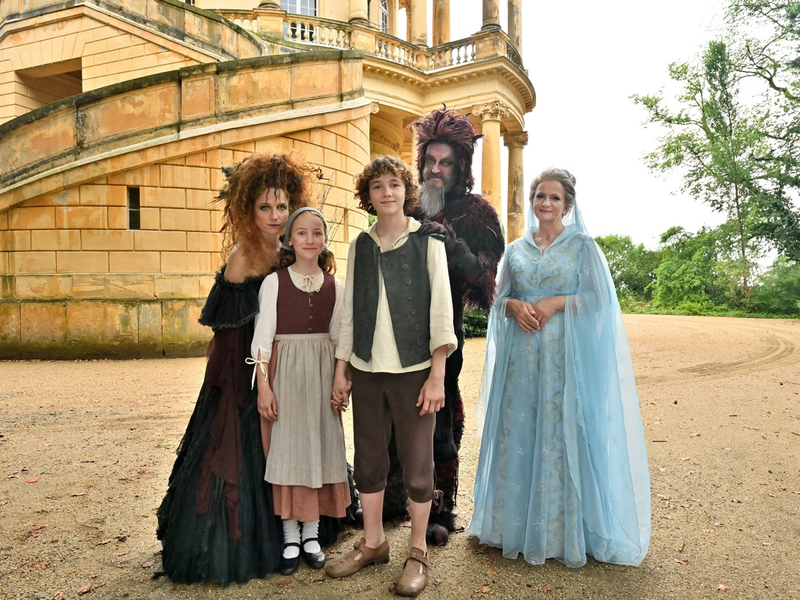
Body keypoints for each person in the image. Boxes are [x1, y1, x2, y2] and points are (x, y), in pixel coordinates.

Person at [468, 168, 651, 567]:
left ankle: (560, 532)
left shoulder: (582, 246)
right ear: (532, 201)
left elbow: (600, 300)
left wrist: (557, 302)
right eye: (540, 196)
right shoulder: (515, 250)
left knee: (562, 431)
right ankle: (511, 527)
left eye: (554, 197)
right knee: (519, 430)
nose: (546, 203)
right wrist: (513, 305)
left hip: (565, 361)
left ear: (567, 205)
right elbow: (496, 299)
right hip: (520, 363)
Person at [156, 153, 317, 585]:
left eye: (282, 206)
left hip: (288, 367)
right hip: (244, 373)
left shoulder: (292, 249)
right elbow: (228, 338)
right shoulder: (242, 257)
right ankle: (255, 540)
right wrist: (243, 390)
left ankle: (303, 530)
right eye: (265, 207)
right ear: (249, 209)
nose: (275, 215)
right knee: (243, 449)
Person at [324, 156, 457, 596]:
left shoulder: (427, 242)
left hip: (414, 371)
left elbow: (442, 311)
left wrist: (437, 375)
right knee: (368, 461)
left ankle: (417, 550)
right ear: (368, 194)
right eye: (377, 185)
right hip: (365, 370)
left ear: (407, 191)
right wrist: (342, 370)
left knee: (418, 466)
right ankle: (374, 542)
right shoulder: (360, 244)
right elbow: (348, 314)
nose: (386, 192)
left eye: (394, 184)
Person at [383, 107, 505, 544]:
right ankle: (392, 499)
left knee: (439, 419)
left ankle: (439, 508)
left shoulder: (477, 213)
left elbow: (490, 281)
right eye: (430, 161)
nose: (436, 169)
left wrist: (456, 249)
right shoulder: (406, 204)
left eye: (446, 162)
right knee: (391, 415)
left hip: (443, 333)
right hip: (394, 330)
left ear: (461, 167)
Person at [249, 207, 350, 576]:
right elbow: (262, 341)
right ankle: (290, 536)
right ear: (290, 239)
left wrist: (341, 379)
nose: (310, 239)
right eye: (302, 233)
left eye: (317, 232)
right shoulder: (274, 282)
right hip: (285, 374)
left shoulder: (335, 286)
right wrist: (264, 387)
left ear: (325, 239)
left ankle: (312, 536)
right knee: (288, 450)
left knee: (319, 448)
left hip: (322, 374)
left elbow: (340, 340)